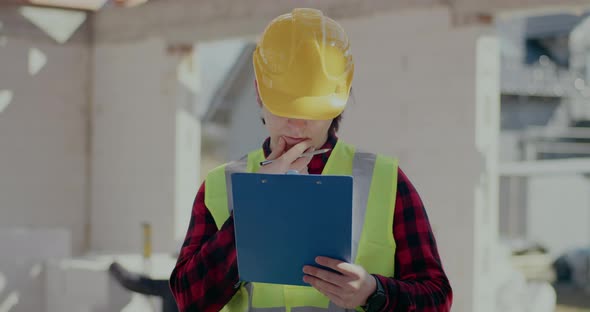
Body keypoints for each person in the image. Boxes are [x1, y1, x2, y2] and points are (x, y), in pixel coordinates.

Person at [169, 8, 452, 312]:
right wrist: (258, 205)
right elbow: (189, 298)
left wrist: (374, 292)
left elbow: (436, 298)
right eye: (283, 108)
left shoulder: (386, 181)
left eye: (310, 112)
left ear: (338, 102)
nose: (296, 125)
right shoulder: (220, 185)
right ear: (259, 94)